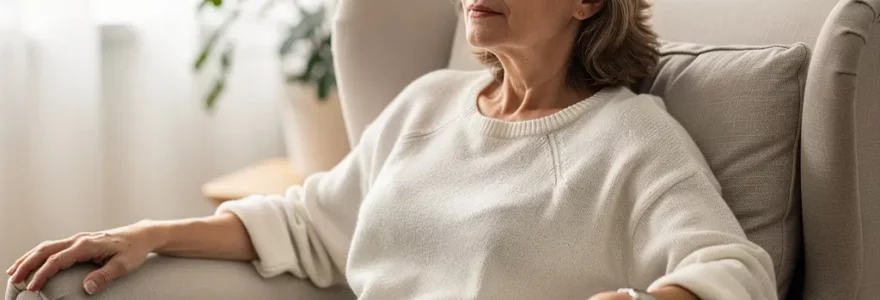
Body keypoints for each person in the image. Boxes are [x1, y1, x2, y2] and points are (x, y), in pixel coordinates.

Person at [7, 0, 778, 299]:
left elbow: (732, 268)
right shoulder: (428, 101)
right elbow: (311, 224)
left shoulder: (628, 136)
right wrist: (150, 234)